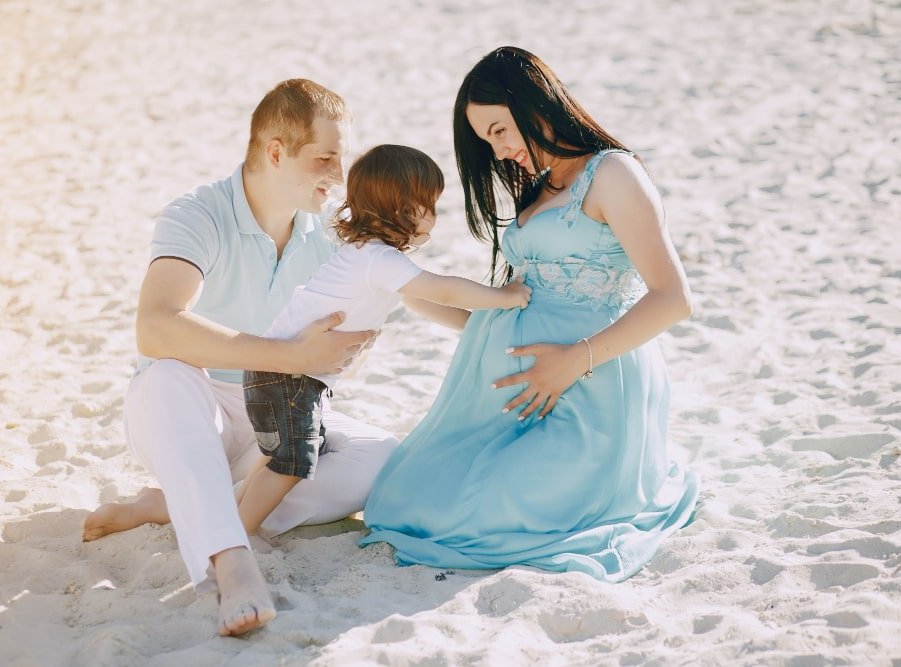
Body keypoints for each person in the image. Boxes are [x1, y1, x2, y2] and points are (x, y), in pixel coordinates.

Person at [360, 46, 700, 581]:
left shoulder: (612, 174)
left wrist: (573, 361)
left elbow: (672, 298)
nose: (498, 152)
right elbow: (517, 304)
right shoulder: (542, 186)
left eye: (499, 130)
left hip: (591, 390)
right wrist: (419, 297)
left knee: (486, 513)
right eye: (486, 140)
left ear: (533, 104)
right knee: (406, 496)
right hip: (517, 399)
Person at [81, 79, 401, 636]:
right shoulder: (200, 213)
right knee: (167, 374)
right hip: (187, 414)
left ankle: (176, 507)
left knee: (381, 456)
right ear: (275, 151)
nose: (338, 176)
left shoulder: (326, 233)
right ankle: (231, 560)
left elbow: (385, 298)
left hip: (270, 421)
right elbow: (155, 325)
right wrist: (288, 354)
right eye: (325, 158)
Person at [236, 144, 531, 535]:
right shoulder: (378, 260)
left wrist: (480, 327)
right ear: (403, 209)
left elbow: (425, 303)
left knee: (279, 456)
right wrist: (504, 297)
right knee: (289, 464)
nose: (435, 216)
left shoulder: (369, 257)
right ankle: (239, 530)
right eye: (431, 205)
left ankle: (231, 512)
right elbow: (441, 290)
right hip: (289, 376)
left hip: (284, 374)